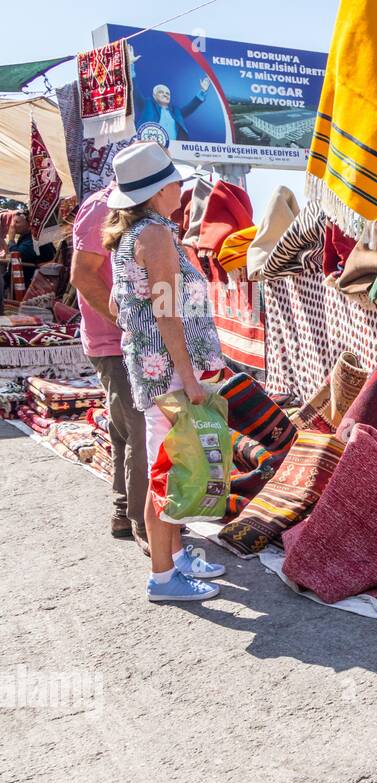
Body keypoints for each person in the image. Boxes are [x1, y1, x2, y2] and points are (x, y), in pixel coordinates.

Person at [101, 141, 228, 602]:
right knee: (171, 470)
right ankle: (162, 578)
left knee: (171, 463)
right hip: (170, 374)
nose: (182, 186)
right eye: (175, 181)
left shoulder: (138, 235)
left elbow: (120, 304)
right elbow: (167, 313)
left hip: (156, 369)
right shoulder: (154, 236)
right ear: (157, 191)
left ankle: (173, 561)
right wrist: (189, 377)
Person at [70, 181, 150, 552]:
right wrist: (124, 320)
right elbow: (82, 275)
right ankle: (146, 527)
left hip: (123, 339)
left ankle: (123, 513)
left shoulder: (132, 204)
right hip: (113, 342)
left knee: (124, 430)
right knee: (139, 430)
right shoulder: (103, 207)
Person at [136, 78, 210, 142]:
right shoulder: (147, 105)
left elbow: (191, 107)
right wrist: (130, 68)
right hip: (150, 147)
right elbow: (135, 91)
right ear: (154, 96)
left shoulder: (176, 112)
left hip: (174, 149)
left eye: (167, 93)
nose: (165, 95)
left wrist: (202, 91)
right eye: (161, 92)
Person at [11, 211, 57, 285]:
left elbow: (17, 256)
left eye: (17, 222)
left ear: (29, 225)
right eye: (13, 222)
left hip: (34, 282)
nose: (12, 225)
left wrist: (11, 240)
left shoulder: (34, 239)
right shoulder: (26, 237)